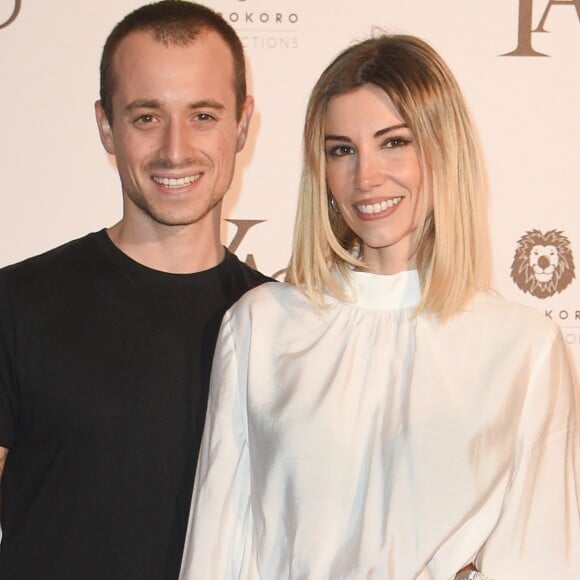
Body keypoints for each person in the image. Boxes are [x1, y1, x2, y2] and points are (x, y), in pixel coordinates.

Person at [179, 34, 580, 579]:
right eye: (342, 149)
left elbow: (541, 558)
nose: (365, 177)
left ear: (444, 148)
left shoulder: (523, 346)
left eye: (394, 142)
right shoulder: (261, 326)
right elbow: (217, 548)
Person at [0, 1, 269, 578]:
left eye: (203, 115)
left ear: (242, 124)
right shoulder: (14, 306)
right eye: (147, 117)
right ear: (106, 126)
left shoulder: (283, 326)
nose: (175, 149)